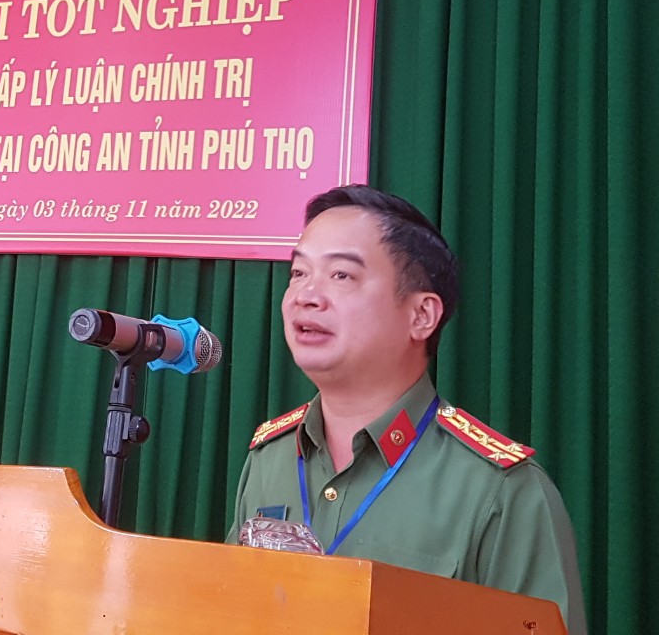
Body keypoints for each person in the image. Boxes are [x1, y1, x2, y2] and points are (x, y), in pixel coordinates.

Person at [230, 184, 586, 635]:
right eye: (298, 273)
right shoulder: (269, 459)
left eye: (341, 275)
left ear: (421, 316)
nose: (306, 295)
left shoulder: (501, 491)